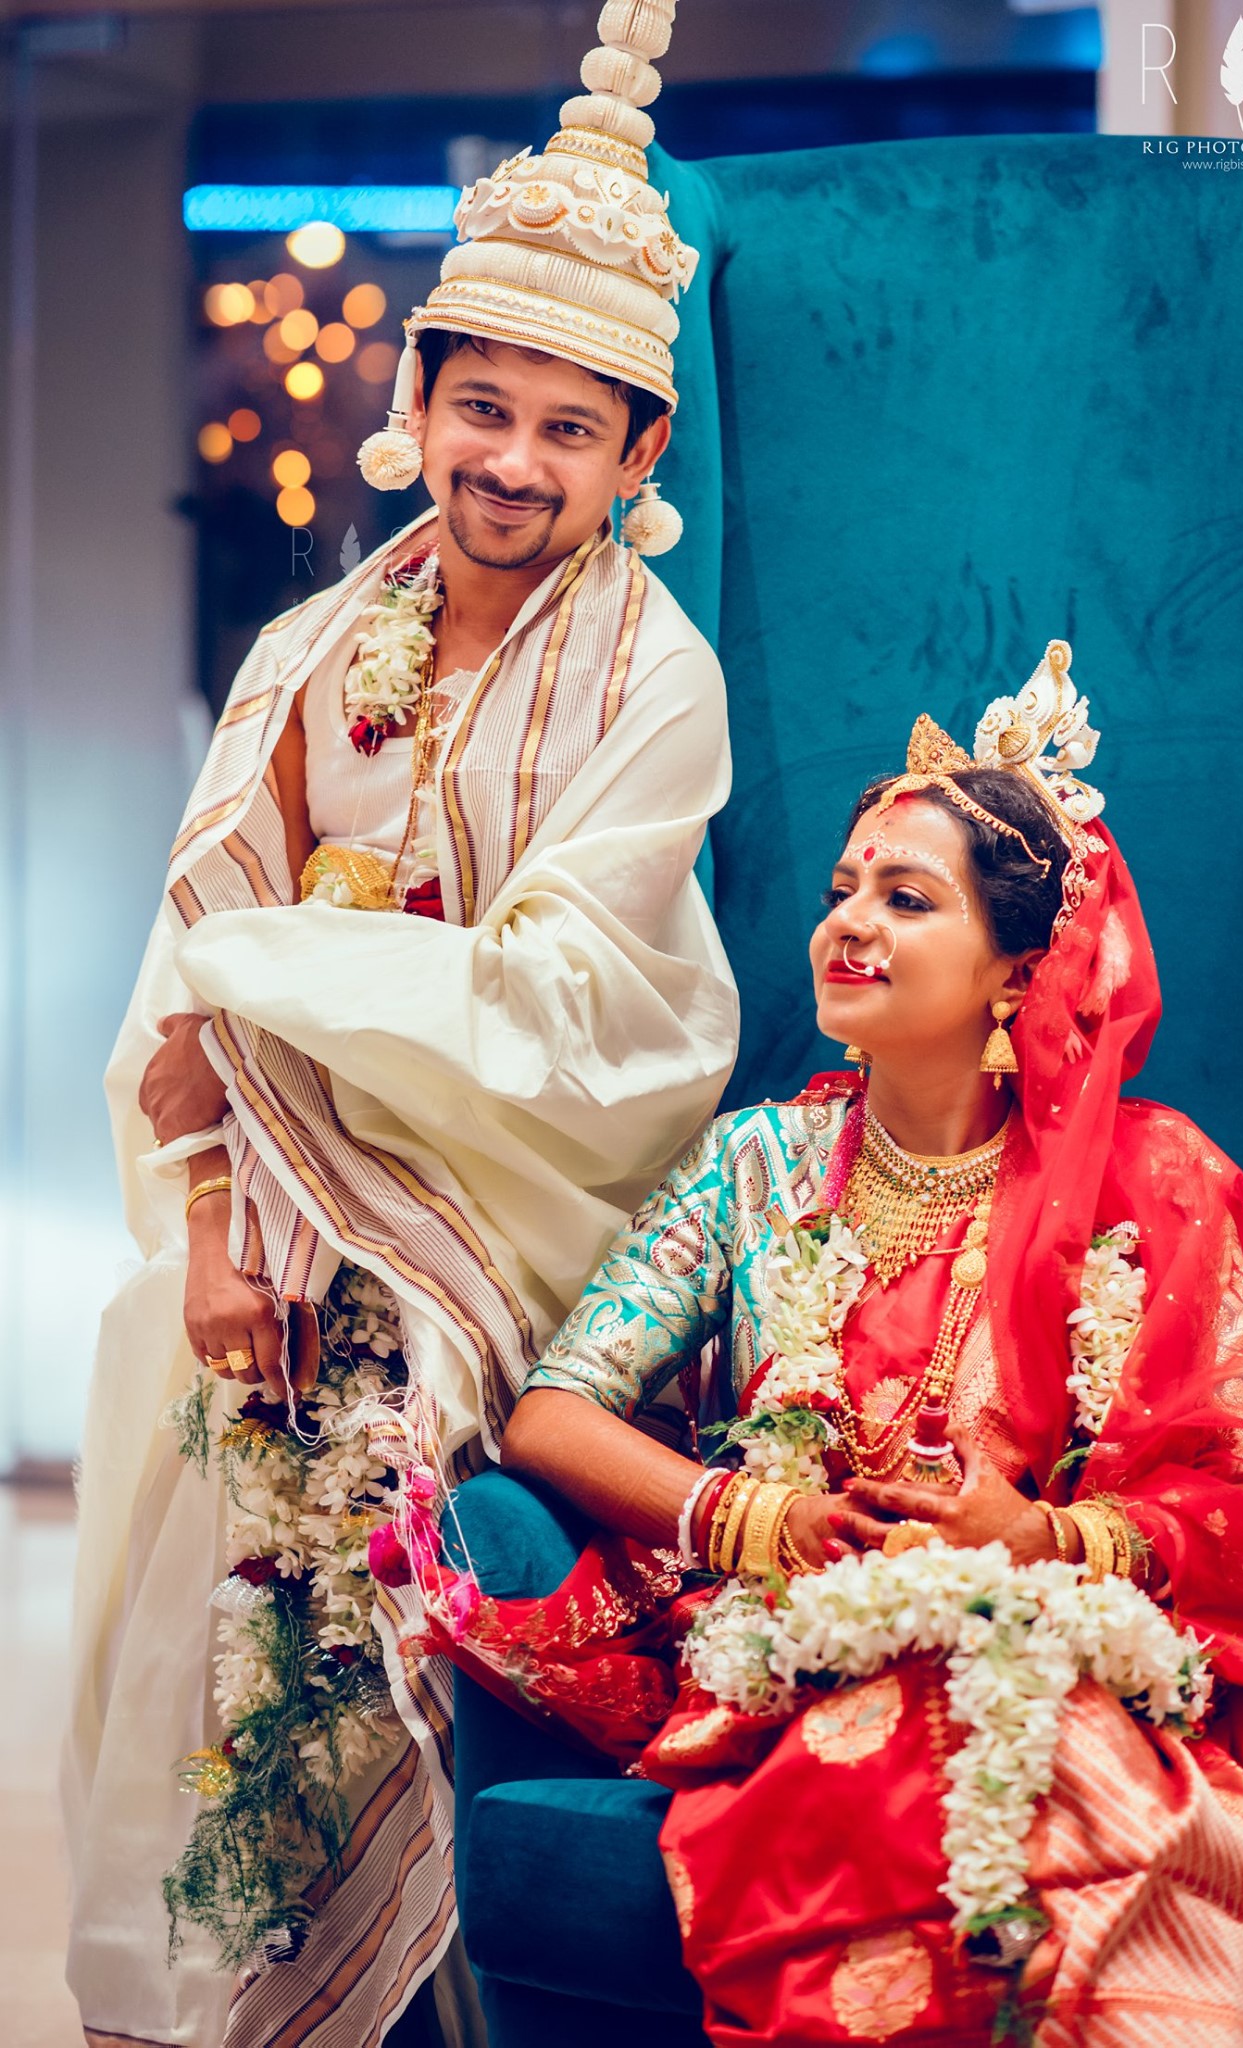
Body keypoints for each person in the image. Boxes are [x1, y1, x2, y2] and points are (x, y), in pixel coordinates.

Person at [63, 5, 738, 2045]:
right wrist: (209, 1222)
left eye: (569, 426)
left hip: (513, 1217)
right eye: (483, 406)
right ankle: (237, 1993)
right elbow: (180, 964)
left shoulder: (657, 680)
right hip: (267, 1210)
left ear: (638, 460)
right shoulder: (309, 651)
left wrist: (269, 979)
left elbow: (560, 1010)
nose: (511, 461)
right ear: (416, 399)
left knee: (363, 1522)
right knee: (183, 1455)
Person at [456, 640, 1243, 2047]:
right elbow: (551, 1415)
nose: (845, 924)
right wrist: (762, 1519)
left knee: (1074, 1790)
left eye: (903, 896)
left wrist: (1035, 1541)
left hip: (1057, 1659)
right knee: (915, 1765)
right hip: (804, 1651)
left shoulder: (1164, 1182)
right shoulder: (757, 1162)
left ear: (1020, 963)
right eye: (839, 893)